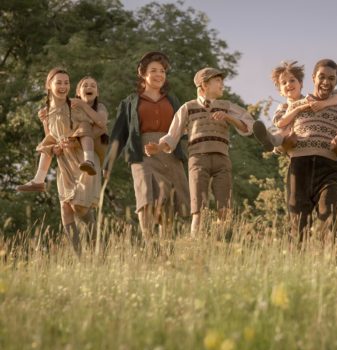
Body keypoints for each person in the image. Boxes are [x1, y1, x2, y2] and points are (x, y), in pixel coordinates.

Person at [145, 67, 255, 237]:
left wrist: (229, 118)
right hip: (198, 160)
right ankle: (197, 246)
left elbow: (248, 125)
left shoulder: (227, 106)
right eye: (217, 81)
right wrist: (158, 147)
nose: (222, 84)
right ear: (204, 85)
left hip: (222, 160)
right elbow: (172, 135)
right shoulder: (188, 108)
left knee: (224, 209)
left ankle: (221, 245)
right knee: (198, 210)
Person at [103, 51, 190, 238]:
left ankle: (165, 245)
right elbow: (119, 134)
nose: (159, 74)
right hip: (141, 155)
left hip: (169, 153)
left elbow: (183, 130)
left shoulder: (172, 100)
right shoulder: (130, 102)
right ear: (143, 73)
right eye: (154, 70)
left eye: (162, 71)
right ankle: (149, 244)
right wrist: (107, 165)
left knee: (168, 201)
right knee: (146, 197)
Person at [282, 59, 337, 243]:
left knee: (329, 219)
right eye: (322, 77)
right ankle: (298, 269)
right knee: (298, 226)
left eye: (331, 78)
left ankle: (334, 266)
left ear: (336, 81)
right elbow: (280, 147)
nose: (326, 82)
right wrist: (288, 142)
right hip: (298, 170)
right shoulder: (296, 107)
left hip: (329, 171)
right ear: (313, 78)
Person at [31, 67, 100, 255]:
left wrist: (73, 140)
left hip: (83, 161)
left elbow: (97, 126)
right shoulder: (46, 112)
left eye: (66, 82)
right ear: (49, 85)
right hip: (65, 162)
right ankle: (79, 257)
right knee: (65, 208)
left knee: (79, 206)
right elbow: (50, 140)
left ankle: (96, 250)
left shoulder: (75, 106)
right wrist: (56, 148)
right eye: (58, 82)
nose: (63, 86)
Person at [16, 77, 106, 194]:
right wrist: (46, 118)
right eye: (85, 85)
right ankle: (39, 179)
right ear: (78, 92)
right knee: (49, 141)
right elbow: (55, 126)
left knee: (84, 125)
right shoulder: (72, 105)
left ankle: (89, 161)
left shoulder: (99, 107)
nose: (89, 87)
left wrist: (83, 106)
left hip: (87, 149)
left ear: (97, 92)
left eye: (93, 86)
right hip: (69, 148)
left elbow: (102, 123)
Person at [253, 60, 337, 153]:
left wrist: (325, 103)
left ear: (301, 84)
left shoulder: (309, 99)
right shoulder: (283, 107)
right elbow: (280, 123)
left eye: (292, 80)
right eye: (284, 83)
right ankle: (271, 140)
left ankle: (271, 141)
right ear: (280, 91)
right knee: (283, 131)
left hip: (305, 139)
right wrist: (297, 109)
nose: (288, 84)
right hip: (287, 138)